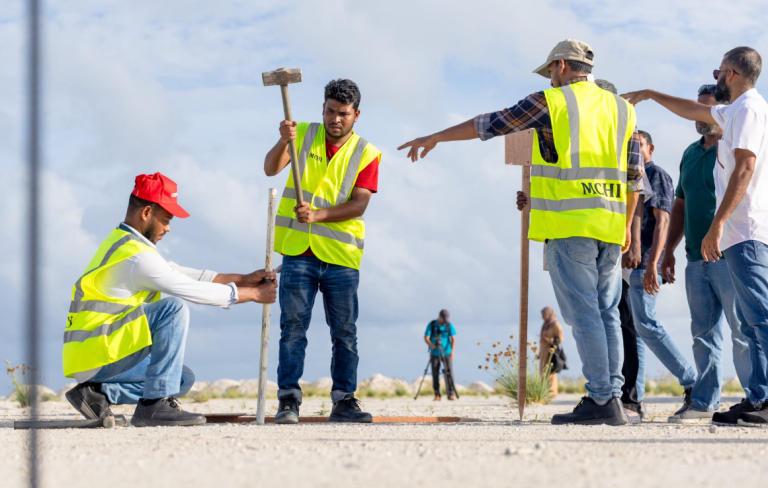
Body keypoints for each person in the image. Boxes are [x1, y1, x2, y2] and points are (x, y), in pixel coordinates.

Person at [399, 39, 644, 426]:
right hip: (612, 225)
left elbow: (492, 124)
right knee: (607, 313)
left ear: (561, 65)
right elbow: (634, 177)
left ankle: (602, 399)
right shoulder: (624, 109)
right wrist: (629, 226)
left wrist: (436, 136)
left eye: (550, 70)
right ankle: (613, 396)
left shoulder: (553, 102)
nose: (549, 77)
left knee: (585, 315)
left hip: (571, 224)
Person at [624, 46, 768, 427]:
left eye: (719, 72)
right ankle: (755, 398)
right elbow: (693, 110)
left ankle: (765, 399)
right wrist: (651, 94)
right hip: (725, 241)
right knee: (747, 323)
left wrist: (717, 225)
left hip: (746, 233)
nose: (717, 77)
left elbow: (745, 169)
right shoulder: (731, 111)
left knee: (758, 320)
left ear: (733, 74)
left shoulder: (750, 109)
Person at [63, 173, 277, 427]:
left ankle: (96, 393)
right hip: (99, 352)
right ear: (146, 212)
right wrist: (251, 294)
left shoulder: (126, 245)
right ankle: (153, 406)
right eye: (165, 220)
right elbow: (188, 288)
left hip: (92, 355)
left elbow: (184, 274)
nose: (168, 228)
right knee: (172, 309)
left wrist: (244, 279)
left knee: (181, 379)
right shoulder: (138, 259)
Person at [263, 79, 382, 424]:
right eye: (330, 111)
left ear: (356, 115)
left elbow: (359, 204)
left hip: (341, 259)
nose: (335, 119)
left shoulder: (367, 153)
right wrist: (283, 140)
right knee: (293, 328)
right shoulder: (300, 133)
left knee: (344, 332)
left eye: (343, 113)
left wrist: (318, 215)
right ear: (323, 109)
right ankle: (288, 401)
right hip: (299, 251)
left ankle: (344, 400)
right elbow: (271, 168)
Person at [661, 84, 752, 423]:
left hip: (728, 254)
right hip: (694, 259)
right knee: (703, 332)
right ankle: (704, 402)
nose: (698, 118)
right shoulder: (689, 152)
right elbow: (680, 204)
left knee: (742, 330)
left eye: (705, 109)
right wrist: (669, 250)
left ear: (722, 111)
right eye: (696, 110)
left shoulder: (732, 149)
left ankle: (756, 399)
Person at [626, 130, 698, 421]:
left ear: (650, 148)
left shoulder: (656, 175)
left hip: (644, 261)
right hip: (628, 264)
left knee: (647, 325)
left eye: (638, 145)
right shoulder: (631, 177)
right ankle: (635, 400)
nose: (634, 149)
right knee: (638, 332)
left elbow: (663, 222)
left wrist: (653, 262)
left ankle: (692, 380)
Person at [595, 78, 651, 420]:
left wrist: (632, 240)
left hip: (622, 246)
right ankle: (612, 392)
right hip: (600, 237)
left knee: (624, 322)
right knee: (606, 317)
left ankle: (627, 396)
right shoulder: (595, 141)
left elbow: (636, 193)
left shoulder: (623, 139)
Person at [424, 310, 457, 401]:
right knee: (435, 374)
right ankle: (437, 394)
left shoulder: (448, 325)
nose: (444, 320)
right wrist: (431, 345)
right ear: (439, 316)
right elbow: (426, 337)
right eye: (443, 318)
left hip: (447, 352)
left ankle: (450, 394)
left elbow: (454, 338)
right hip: (434, 353)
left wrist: (452, 352)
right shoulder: (432, 324)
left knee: (449, 373)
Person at [539, 307, 564, 398]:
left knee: (550, 373)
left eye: (544, 315)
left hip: (551, 353)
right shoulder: (545, 324)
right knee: (542, 371)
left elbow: (560, 338)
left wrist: (549, 340)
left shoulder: (555, 324)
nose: (542, 317)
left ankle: (552, 392)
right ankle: (543, 391)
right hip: (543, 352)